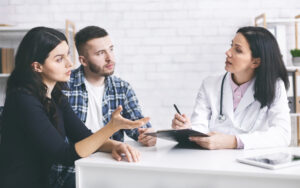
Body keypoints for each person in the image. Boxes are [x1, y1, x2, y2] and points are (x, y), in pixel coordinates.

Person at [0, 27, 149, 188]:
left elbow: (84, 136)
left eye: (68, 54)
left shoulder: (57, 95)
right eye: (59, 59)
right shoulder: (22, 99)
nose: (70, 63)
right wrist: (112, 127)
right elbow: (64, 154)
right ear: (37, 66)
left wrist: (116, 145)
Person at [50, 26, 156, 188]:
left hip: (112, 166)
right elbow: (61, 143)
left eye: (111, 50)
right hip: (73, 169)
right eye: (100, 53)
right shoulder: (63, 87)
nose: (110, 58)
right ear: (83, 60)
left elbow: (137, 128)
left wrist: (147, 136)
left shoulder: (122, 88)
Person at [171, 26, 291, 150]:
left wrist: (233, 141)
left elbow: (282, 135)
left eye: (238, 50)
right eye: (231, 45)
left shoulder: (275, 87)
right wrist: (187, 130)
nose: (228, 52)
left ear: (255, 62)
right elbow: (200, 127)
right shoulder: (209, 84)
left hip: (252, 163)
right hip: (213, 162)